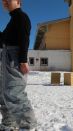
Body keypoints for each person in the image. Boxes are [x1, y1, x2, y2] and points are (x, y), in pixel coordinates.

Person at [0, 0, 37, 130]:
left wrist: (23, 60)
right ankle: (9, 124)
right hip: (6, 58)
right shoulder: (13, 20)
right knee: (4, 93)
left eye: (8, 0)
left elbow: (24, 39)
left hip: (14, 59)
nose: (4, 2)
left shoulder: (21, 17)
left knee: (14, 92)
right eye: (3, 0)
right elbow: (3, 39)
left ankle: (28, 126)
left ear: (18, 1)